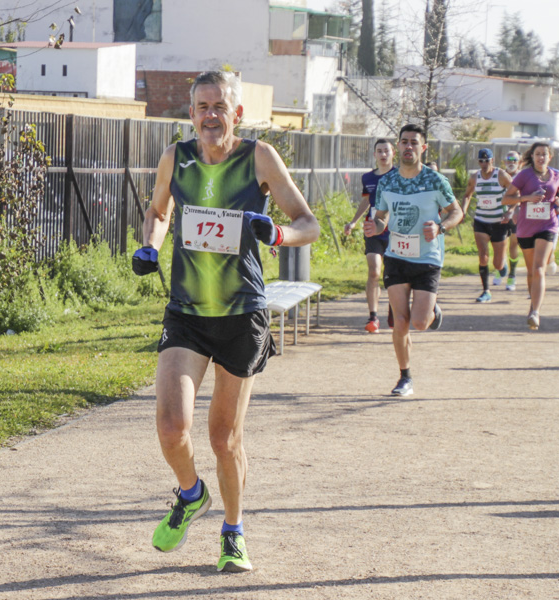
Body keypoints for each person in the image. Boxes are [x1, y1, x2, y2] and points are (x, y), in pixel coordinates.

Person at [131, 70, 320, 573]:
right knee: (172, 427)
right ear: (190, 113)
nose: (210, 115)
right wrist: (150, 242)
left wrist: (276, 233)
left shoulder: (259, 157)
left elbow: (309, 224)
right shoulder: (177, 157)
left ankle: (233, 532)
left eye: (220, 106)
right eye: (202, 107)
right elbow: (157, 209)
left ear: (236, 113)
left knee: (223, 438)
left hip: (242, 316)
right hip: (187, 313)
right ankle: (191, 493)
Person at [364, 123, 463, 396]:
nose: (409, 147)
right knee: (400, 321)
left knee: (419, 323)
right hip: (396, 256)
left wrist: (441, 227)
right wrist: (377, 226)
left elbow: (456, 212)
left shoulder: (434, 181)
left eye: (414, 143)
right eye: (404, 142)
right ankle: (404, 377)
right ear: (399, 148)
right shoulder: (387, 182)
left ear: (423, 147)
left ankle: (432, 311)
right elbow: (382, 215)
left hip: (427, 258)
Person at [503, 141, 559, 330]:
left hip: (548, 225)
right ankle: (533, 305)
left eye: (544, 154)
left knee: (539, 267)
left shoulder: (556, 175)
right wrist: (526, 198)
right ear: (532, 156)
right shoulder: (524, 175)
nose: (541, 157)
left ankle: (535, 311)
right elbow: (506, 198)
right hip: (526, 228)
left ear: (550, 157)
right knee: (532, 270)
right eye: (537, 154)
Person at [344, 139, 395, 332]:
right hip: (372, 229)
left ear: (393, 154)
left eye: (386, 151)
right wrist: (354, 221)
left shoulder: (399, 175)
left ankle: (394, 311)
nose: (383, 155)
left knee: (392, 275)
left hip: (394, 232)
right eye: (379, 151)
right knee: (374, 271)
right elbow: (365, 201)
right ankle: (373, 317)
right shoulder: (368, 178)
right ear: (374, 155)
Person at [461, 147, 513, 303]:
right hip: (481, 221)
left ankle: (502, 267)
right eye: (481, 161)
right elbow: (467, 195)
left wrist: (510, 211)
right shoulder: (474, 177)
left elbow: (516, 194)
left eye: (487, 161)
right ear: (478, 162)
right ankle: (486, 291)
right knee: (483, 256)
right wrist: (463, 212)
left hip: (499, 222)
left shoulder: (502, 176)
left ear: (492, 161)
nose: (484, 164)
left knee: (497, 263)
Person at [500, 150, 524, 291]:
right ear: (504, 162)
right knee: (500, 243)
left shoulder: (523, 176)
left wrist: (513, 210)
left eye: (514, 160)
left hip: (517, 213)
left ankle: (512, 275)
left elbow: (522, 195)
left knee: (513, 243)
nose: (511, 163)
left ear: (519, 163)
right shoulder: (500, 175)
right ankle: (501, 266)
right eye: (509, 160)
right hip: (500, 214)